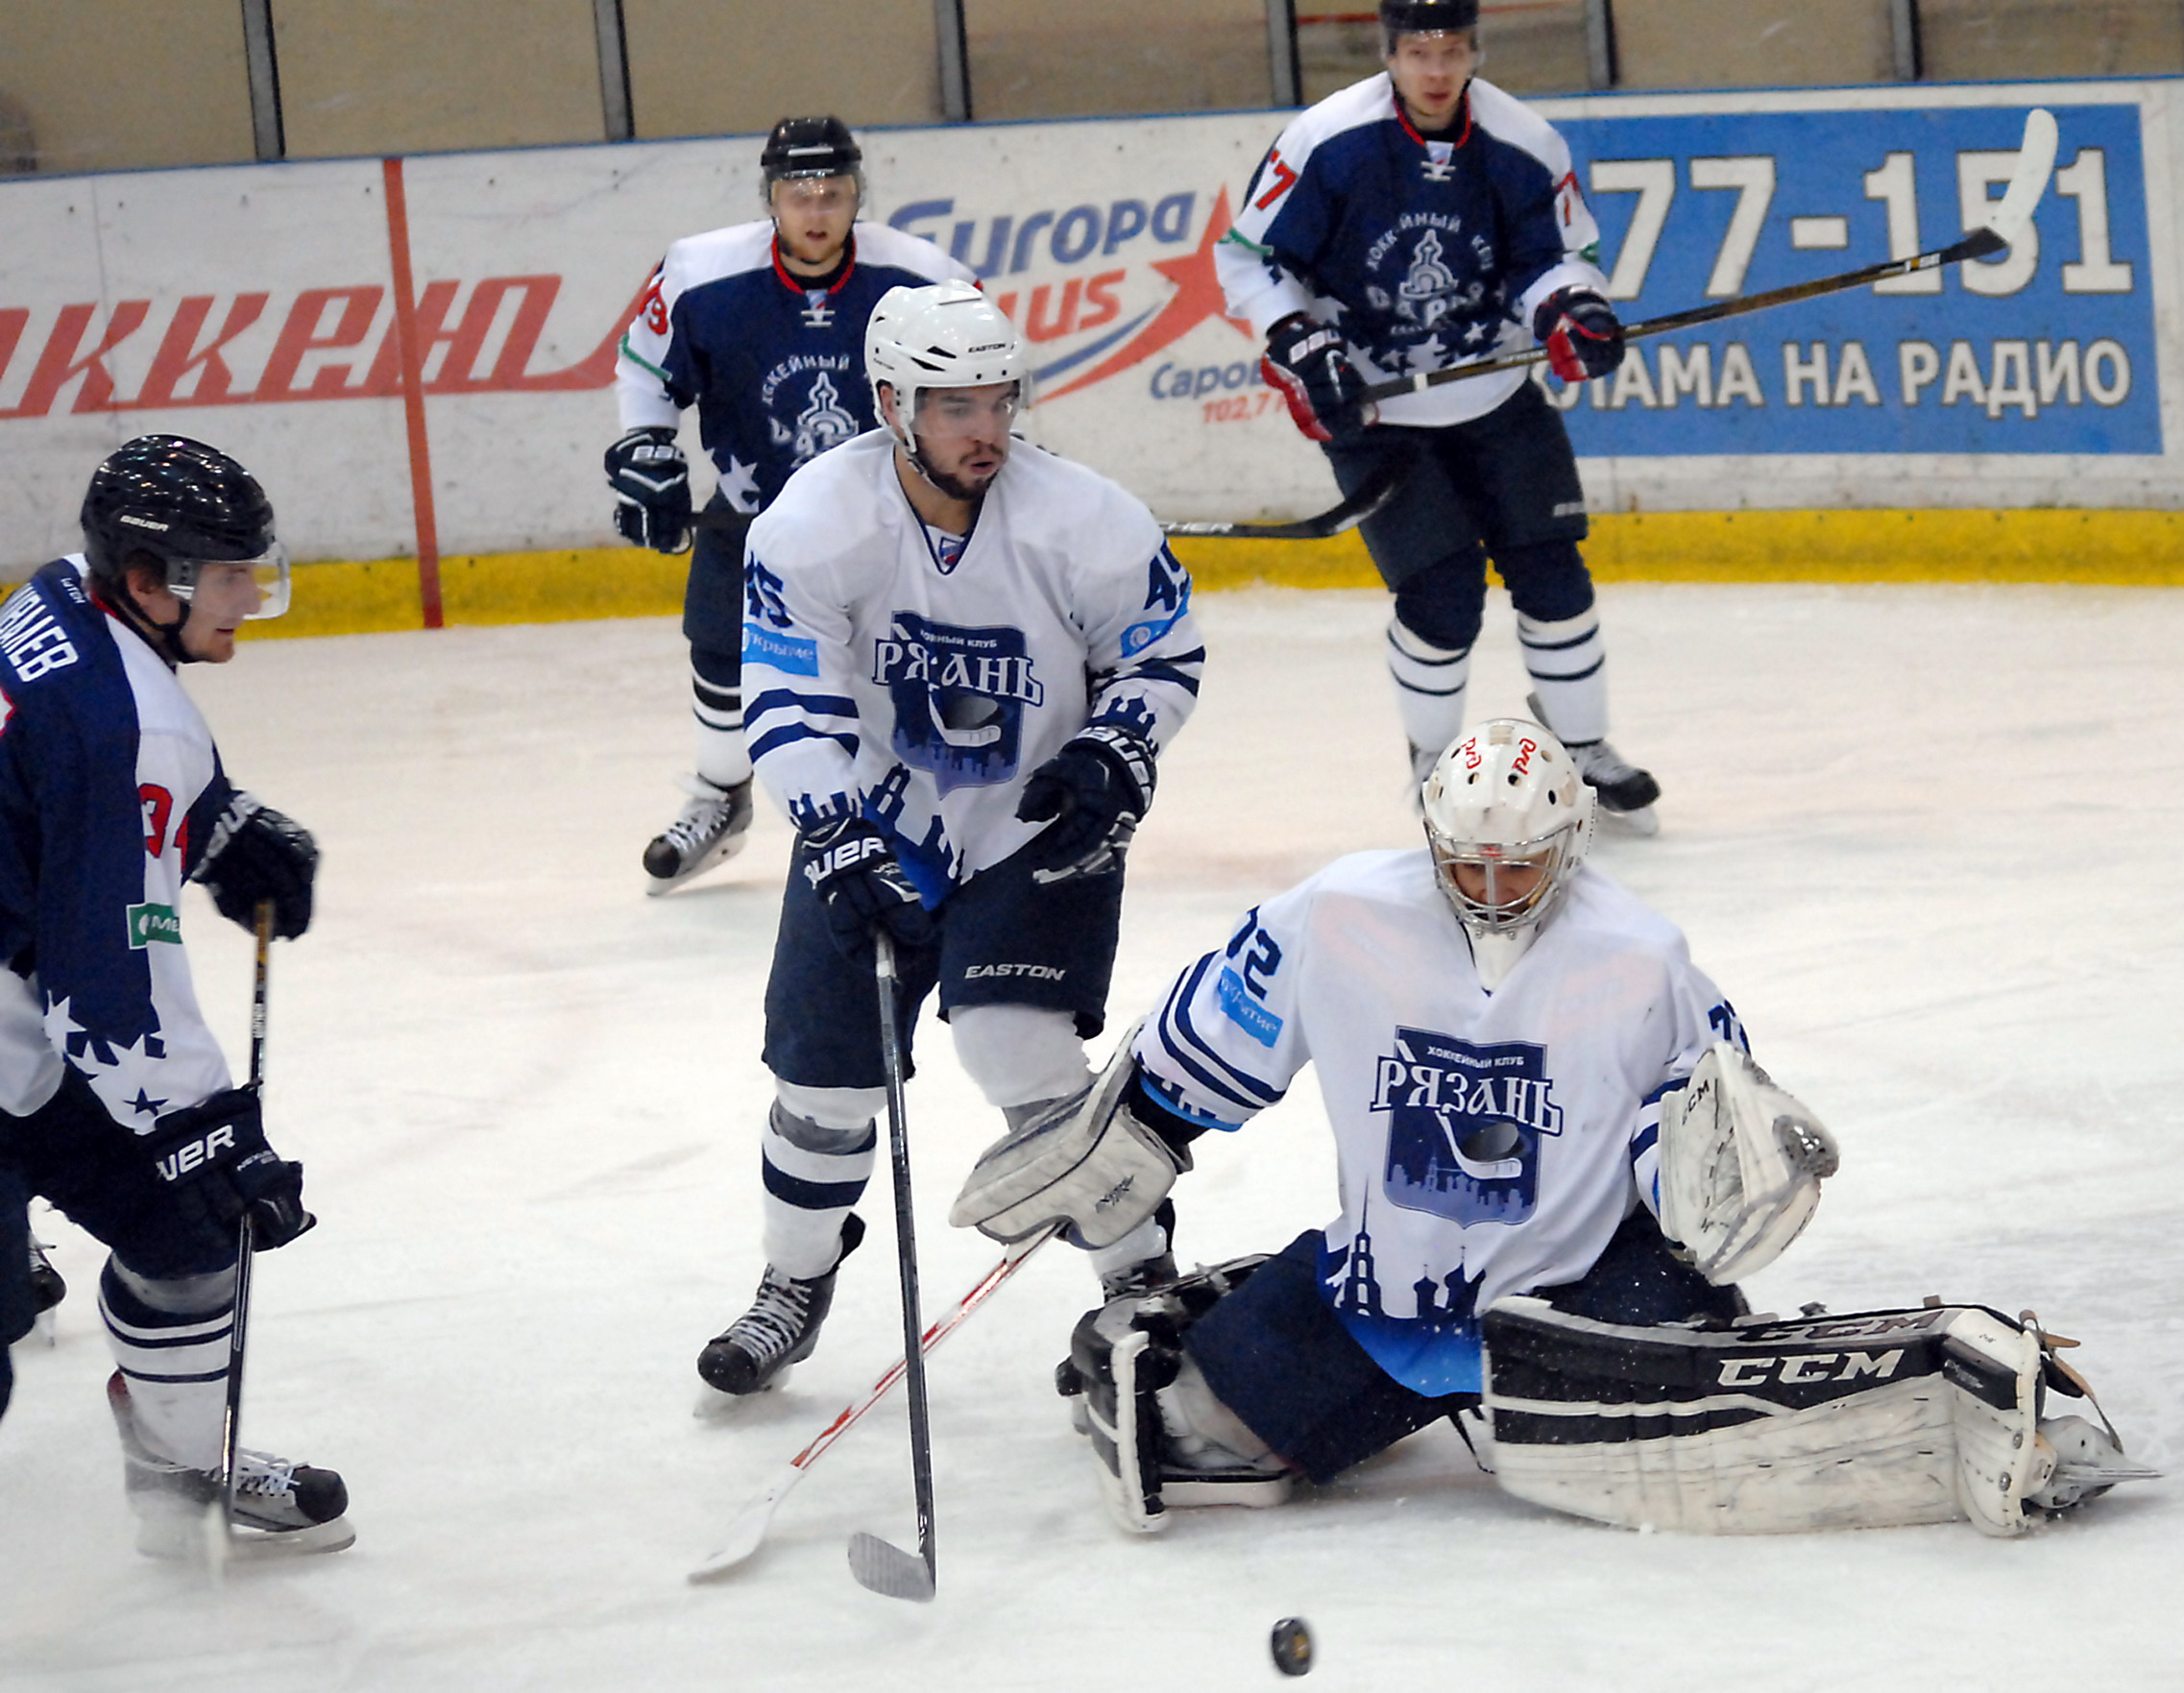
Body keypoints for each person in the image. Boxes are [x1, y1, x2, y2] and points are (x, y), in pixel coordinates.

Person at [952, 718, 2152, 1536]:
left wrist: (1727, 1183)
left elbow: (1692, 1141)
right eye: (1465, 865)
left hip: (1582, 1293)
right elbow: (1211, 1044)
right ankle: (1244, 1309)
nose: (1487, 890)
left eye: (1514, 867)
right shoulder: (1336, 916)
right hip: (1388, 1300)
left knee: (1725, 1436)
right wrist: (1134, 1129)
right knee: (1185, 1441)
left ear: (1565, 843)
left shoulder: (1640, 957)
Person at [692, 282, 1205, 1399]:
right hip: (880, 819)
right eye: (955, 405)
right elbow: (784, 701)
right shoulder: (815, 522)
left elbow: (1162, 656)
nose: (987, 427)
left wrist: (1115, 747)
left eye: (999, 399)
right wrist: (836, 837)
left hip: (1037, 826)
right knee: (826, 1084)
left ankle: (1139, 1275)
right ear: (891, 403)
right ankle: (794, 1280)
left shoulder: (1085, 518)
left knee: (1018, 1050)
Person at [0, 436, 349, 1557]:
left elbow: (67, 792)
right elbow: (110, 963)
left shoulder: (59, 590)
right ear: (148, 582)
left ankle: (179, 1461)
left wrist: (217, 822)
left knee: (177, 1231)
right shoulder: (131, 721)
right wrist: (202, 1124)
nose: (250, 591)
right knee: (187, 1209)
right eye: (226, 571)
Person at [1215, 0, 1661, 828]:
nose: (1435, 70)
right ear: (1387, 54)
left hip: (1492, 392)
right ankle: (1431, 761)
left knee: (1555, 573)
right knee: (1442, 596)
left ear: (1475, 52)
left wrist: (1571, 311)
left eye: (1451, 50)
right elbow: (1249, 260)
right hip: (1377, 407)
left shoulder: (1523, 143)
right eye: (1417, 52)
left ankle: (1586, 747)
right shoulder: (1327, 142)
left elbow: (1554, 257)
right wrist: (1302, 344)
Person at [610, 115, 977, 894]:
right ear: (770, 196)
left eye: (833, 193)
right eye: (797, 194)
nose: (815, 212)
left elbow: (977, 383)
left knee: (909, 662)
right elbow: (646, 370)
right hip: (753, 510)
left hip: (886, 520)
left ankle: (931, 810)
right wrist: (647, 448)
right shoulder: (698, 272)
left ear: (857, 195)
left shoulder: (922, 275)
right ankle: (720, 798)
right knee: (720, 652)